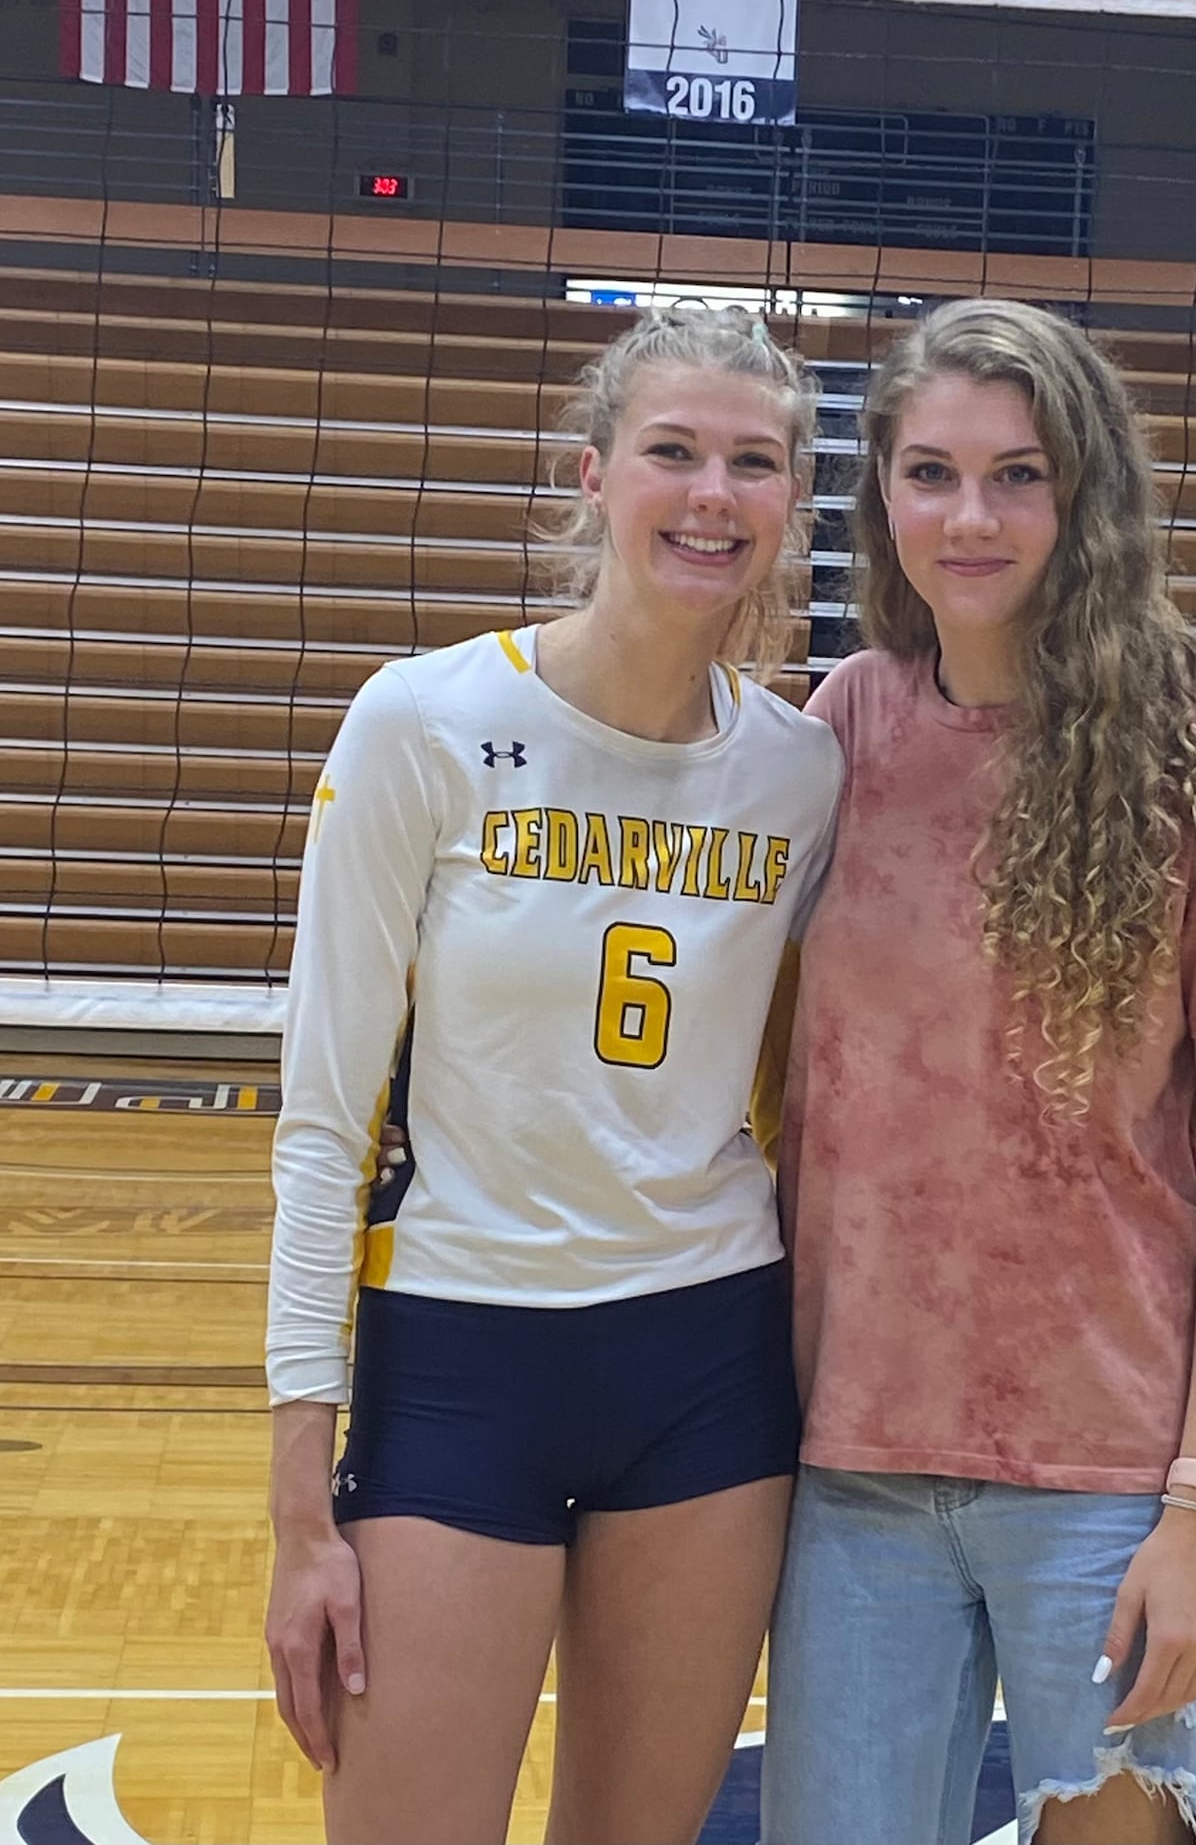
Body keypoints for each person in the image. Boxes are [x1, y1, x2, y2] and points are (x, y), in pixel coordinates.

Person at [756, 299, 1196, 1845]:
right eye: (931, 472)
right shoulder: (846, 728)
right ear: (878, 490)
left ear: (1087, 495)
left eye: (1018, 474)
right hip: (854, 1466)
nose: (970, 515)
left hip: (1110, 1478)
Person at [264, 306, 843, 1845]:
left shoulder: (800, 773)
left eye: (753, 461)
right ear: (594, 474)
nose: (711, 492)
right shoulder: (429, 723)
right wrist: (295, 1508)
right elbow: (323, 1130)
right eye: (673, 451)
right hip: (462, 1353)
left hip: (708, 1364)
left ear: (792, 500)